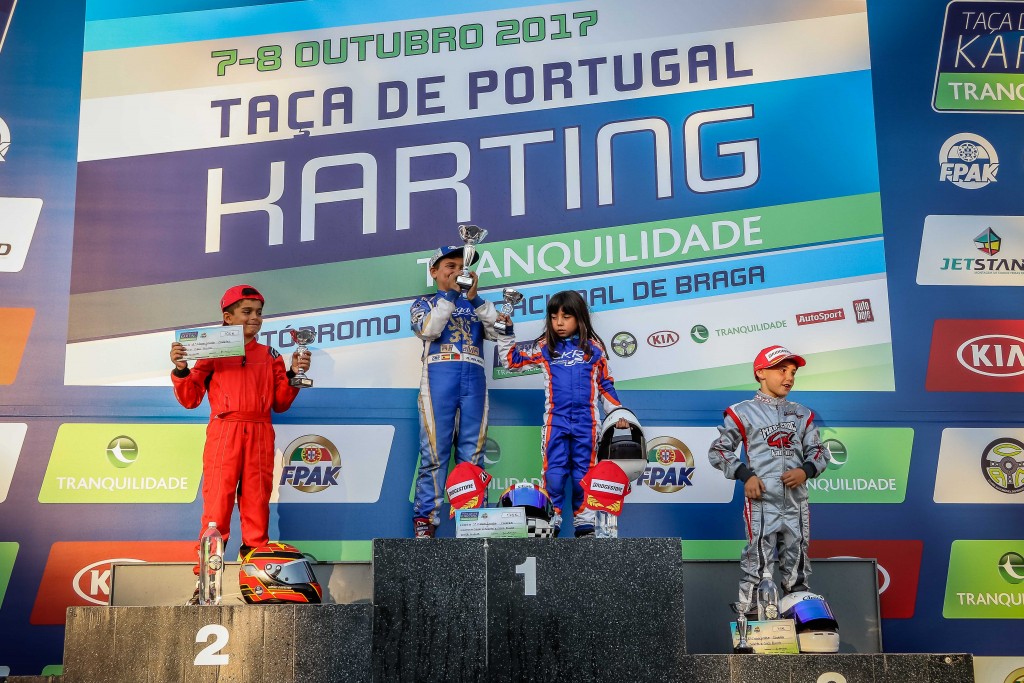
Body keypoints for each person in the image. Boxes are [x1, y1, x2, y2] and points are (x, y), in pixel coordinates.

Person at [169, 284, 310, 603]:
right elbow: (190, 399)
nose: (254, 318)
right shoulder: (211, 352)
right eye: (246, 312)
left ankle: (257, 585)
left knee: (257, 510)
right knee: (216, 510)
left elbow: (281, 403)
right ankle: (205, 585)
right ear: (228, 317)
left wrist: (294, 373)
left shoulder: (270, 355)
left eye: (259, 312)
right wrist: (181, 369)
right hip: (225, 430)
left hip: (260, 431)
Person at [708, 345, 830, 612]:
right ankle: (753, 623)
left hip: (796, 503)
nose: (789, 377)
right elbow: (719, 451)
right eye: (782, 370)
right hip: (763, 502)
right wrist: (746, 475)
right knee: (758, 565)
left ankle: (799, 621)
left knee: (798, 567)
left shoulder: (802, 413)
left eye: (793, 372)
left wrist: (806, 470)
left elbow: (819, 451)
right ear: (761, 372)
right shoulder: (743, 411)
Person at [496, 290, 628, 537]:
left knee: (584, 476)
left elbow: (605, 385)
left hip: (588, 423)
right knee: (554, 474)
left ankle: (585, 525)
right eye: (554, 317)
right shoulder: (545, 347)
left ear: (580, 317)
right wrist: (505, 333)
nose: (559, 322)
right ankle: (551, 520)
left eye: (566, 317)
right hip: (555, 422)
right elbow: (512, 361)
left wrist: (618, 413)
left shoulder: (594, 349)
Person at [410, 246, 499, 538]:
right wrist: (450, 295)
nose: (458, 271)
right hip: (438, 379)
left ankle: (473, 525)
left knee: (473, 457)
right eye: (450, 266)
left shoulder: (477, 303)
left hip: (474, 381)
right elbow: (428, 329)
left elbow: (500, 332)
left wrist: (475, 299)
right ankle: (425, 522)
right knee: (434, 455)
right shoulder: (424, 303)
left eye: (463, 266)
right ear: (434, 271)